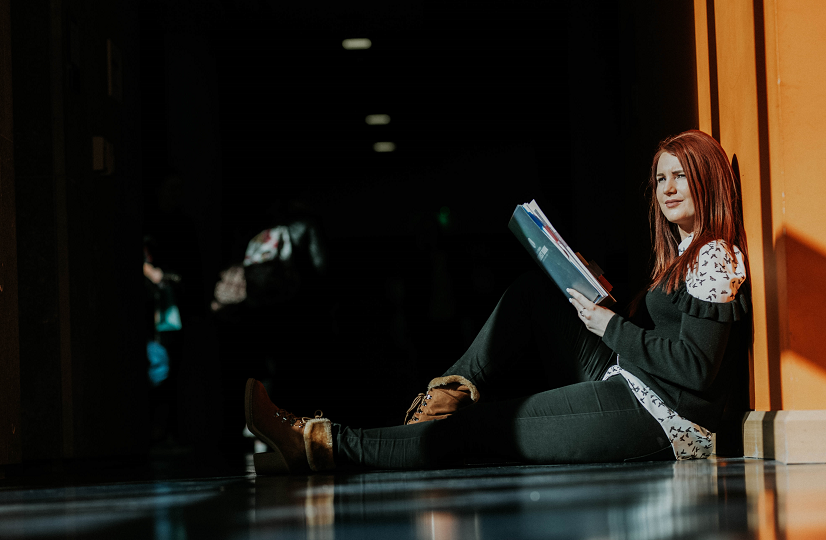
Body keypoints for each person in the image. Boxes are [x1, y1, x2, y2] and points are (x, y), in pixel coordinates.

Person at [244, 130, 752, 474]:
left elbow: (696, 368)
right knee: (536, 293)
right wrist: (603, 300)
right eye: (661, 178)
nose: (666, 189)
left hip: (664, 420)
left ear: (707, 180)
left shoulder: (715, 256)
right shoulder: (686, 252)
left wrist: (608, 325)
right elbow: (663, 338)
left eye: (680, 176)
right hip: (633, 381)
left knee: (480, 431)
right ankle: (441, 397)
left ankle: (322, 441)